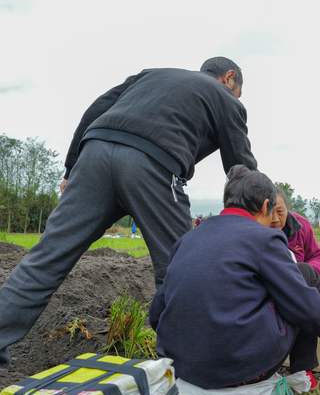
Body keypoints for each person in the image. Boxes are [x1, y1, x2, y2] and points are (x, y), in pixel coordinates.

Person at [0, 57, 256, 368]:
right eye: (238, 92)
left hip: (94, 155)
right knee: (181, 267)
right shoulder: (225, 99)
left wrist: (70, 169)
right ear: (230, 78)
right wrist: (260, 219)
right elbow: (241, 171)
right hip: (153, 165)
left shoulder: (152, 75)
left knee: (45, 259)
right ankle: (187, 368)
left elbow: (95, 110)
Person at [150, 166, 320, 395]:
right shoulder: (265, 238)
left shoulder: (190, 238)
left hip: (182, 366)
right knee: (303, 277)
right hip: (237, 368)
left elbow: (156, 312)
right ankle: (301, 381)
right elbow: (300, 300)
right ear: (265, 206)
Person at [269, 190, 320, 307]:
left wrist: (308, 273)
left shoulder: (301, 224)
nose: (275, 218)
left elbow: (317, 255)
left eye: (280, 211)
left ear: (287, 209)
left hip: (304, 281)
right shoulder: (257, 228)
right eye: (269, 212)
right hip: (275, 284)